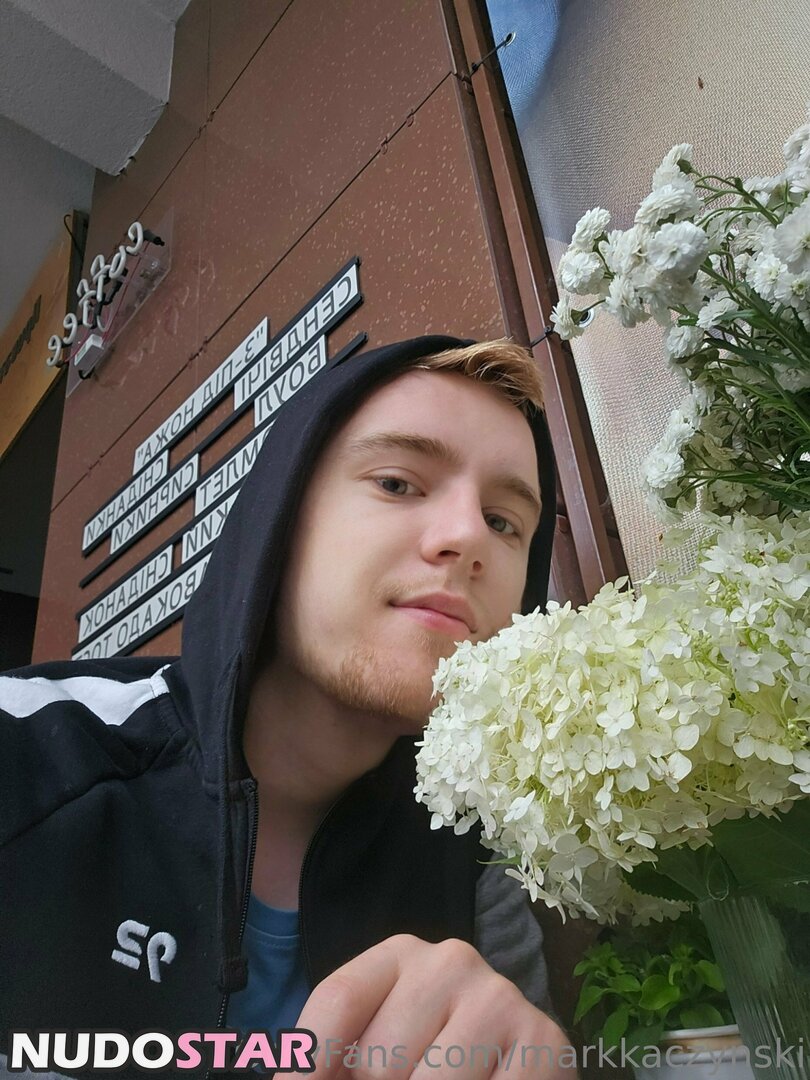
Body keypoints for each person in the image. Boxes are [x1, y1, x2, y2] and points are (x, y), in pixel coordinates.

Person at [0, 335, 569, 1077]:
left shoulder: (477, 859)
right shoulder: (30, 751)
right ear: (277, 515)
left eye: (504, 522)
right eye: (397, 483)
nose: (467, 537)